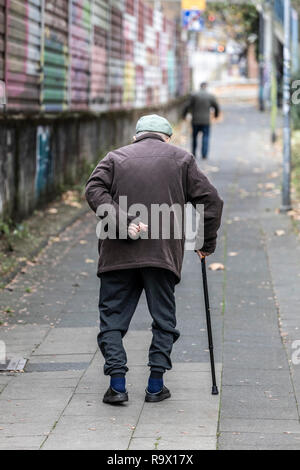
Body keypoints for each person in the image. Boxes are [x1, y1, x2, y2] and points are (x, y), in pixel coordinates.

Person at [85, 114, 223, 405]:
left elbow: (93, 191)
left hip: (117, 254)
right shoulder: (182, 160)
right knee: (163, 320)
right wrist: (205, 243)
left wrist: (123, 222)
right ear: (167, 138)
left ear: (136, 135)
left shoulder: (114, 158)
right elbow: (212, 200)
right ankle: (155, 386)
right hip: (161, 255)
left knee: (112, 320)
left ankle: (118, 385)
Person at [183, 82, 220, 159]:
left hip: (195, 120)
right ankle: (204, 155)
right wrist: (216, 115)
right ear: (206, 87)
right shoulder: (210, 96)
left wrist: (184, 114)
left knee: (194, 137)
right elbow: (216, 106)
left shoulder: (194, 95)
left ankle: (194, 153)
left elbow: (187, 106)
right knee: (205, 137)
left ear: (200, 87)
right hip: (206, 121)